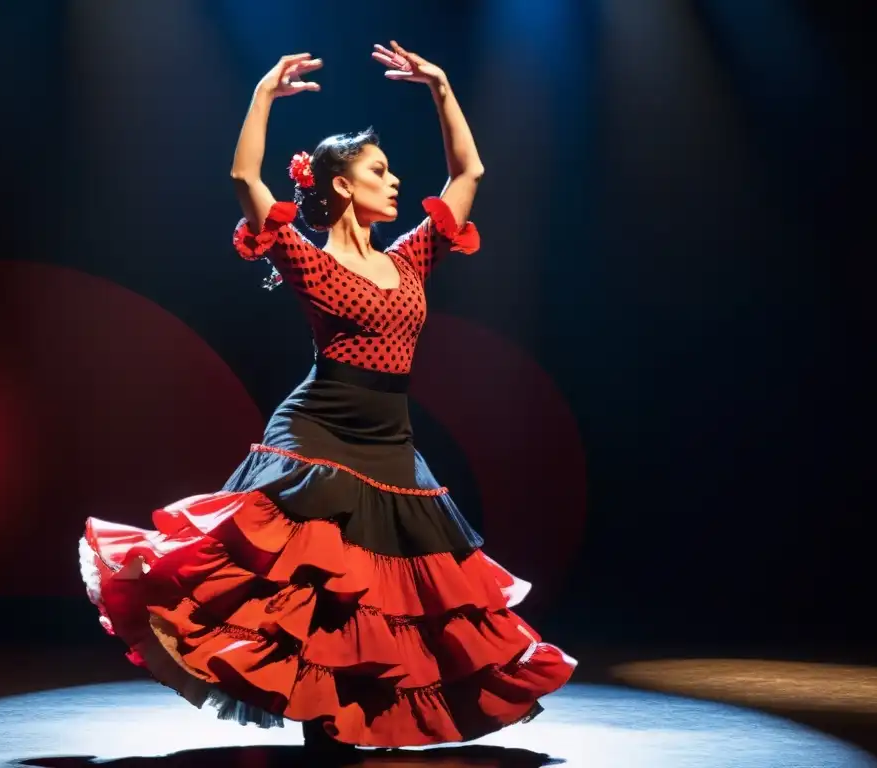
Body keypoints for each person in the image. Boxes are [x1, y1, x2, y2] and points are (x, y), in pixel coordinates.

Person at [79, 42, 576, 751]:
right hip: (319, 428)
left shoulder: (410, 257)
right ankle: (320, 720)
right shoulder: (305, 259)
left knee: (398, 587)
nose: (395, 180)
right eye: (379, 170)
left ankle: (354, 713)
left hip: (389, 435)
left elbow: (470, 171)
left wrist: (440, 87)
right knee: (311, 575)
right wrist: (261, 95)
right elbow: (242, 175)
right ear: (342, 186)